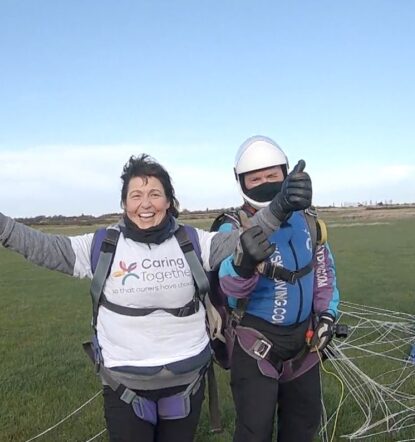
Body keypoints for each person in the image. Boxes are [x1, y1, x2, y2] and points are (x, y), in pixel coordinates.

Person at [0, 153, 310, 442]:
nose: (145, 204)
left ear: (169, 201)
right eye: (135, 195)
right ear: (124, 203)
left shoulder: (193, 242)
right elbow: (42, 247)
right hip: (124, 385)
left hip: (186, 384)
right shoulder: (101, 246)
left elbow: (243, 239)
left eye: (154, 194)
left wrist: (280, 206)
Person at [215, 136, 340, 442]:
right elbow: (228, 288)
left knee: (303, 427)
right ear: (241, 181)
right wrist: (243, 261)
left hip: (304, 344)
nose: (264, 183)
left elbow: (323, 272)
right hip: (255, 343)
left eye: (272, 175)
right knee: (254, 431)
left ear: (286, 174)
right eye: (255, 178)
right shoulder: (232, 226)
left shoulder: (309, 221)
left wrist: (326, 316)